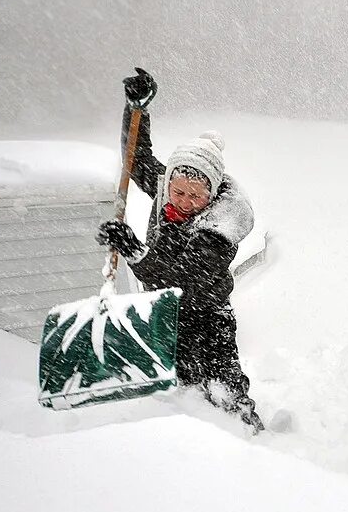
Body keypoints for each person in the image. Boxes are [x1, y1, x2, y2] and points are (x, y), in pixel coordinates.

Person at [97, 67, 264, 433]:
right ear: (169, 181)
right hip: (168, 313)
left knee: (224, 392)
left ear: (212, 191)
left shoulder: (220, 225)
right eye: (178, 192)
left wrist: (134, 250)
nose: (185, 201)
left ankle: (254, 441)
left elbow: (181, 279)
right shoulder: (166, 186)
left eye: (196, 195)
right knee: (184, 392)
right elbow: (135, 160)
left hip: (207, 317)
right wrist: (136, 109)